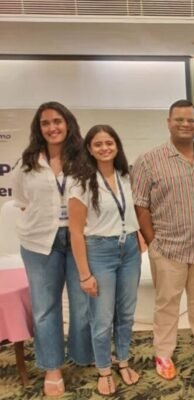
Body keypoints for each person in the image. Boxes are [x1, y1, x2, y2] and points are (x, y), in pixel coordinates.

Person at [132, 99, 194, 380]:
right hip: (168, 247)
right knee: (167, 303)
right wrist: (152, 242)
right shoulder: (149, 160)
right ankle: (163, 352)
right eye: (179, 120)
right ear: (168, 122)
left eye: (191, 120)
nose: (185, 124)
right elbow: (140, 205)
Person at [11, 101, 93, 396]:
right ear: (38, 128)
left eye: (57, 121)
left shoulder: (84, 159)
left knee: (82, 304)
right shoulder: (27, 162)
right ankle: (52, 367)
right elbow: (22, 199)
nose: (52, 127)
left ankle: (83, 355)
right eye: (45, 123)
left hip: (79, 239)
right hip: (39, 243)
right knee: (45, 308)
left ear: (68, 123)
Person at [68, 125, 142, 394]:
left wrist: (139, 238)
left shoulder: (125, 176)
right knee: (102, 317)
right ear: (89, 149)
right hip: (99, 251)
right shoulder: (80, 182)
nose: (105, 148)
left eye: (109, 143)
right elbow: (76, 232)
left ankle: (123, 361)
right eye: (98, 144)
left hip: (129, 249)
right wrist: (84, 274)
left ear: (117, 145)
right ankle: (104, 369)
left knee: (126, 313)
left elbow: (131, 212)